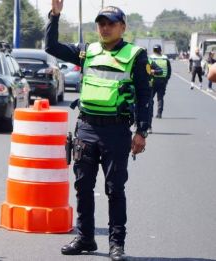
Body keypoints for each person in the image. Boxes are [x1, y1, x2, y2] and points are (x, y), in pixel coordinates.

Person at [46, 1, 150, 260]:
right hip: (86, 128)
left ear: (122, 27)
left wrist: (142, 131)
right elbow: (51, 47)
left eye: (111, 23)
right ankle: (85, 237)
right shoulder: (86, 51)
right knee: (83, 186)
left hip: (116, 131)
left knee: (115, 189)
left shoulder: (136, 55)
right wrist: (54, 16)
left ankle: (117, 244)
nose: (105, 28)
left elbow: (145, 95)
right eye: (101, 23)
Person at [148, 44, 171, 130]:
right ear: (160, 50)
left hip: (153, 80)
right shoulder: (165, 58)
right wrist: (166, 79)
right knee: (160, 97)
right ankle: (159, 113)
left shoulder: (150, 58)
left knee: (150, 99)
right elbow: (169, 70)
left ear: (153, 50)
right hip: (162, 80)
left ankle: (151, 113)